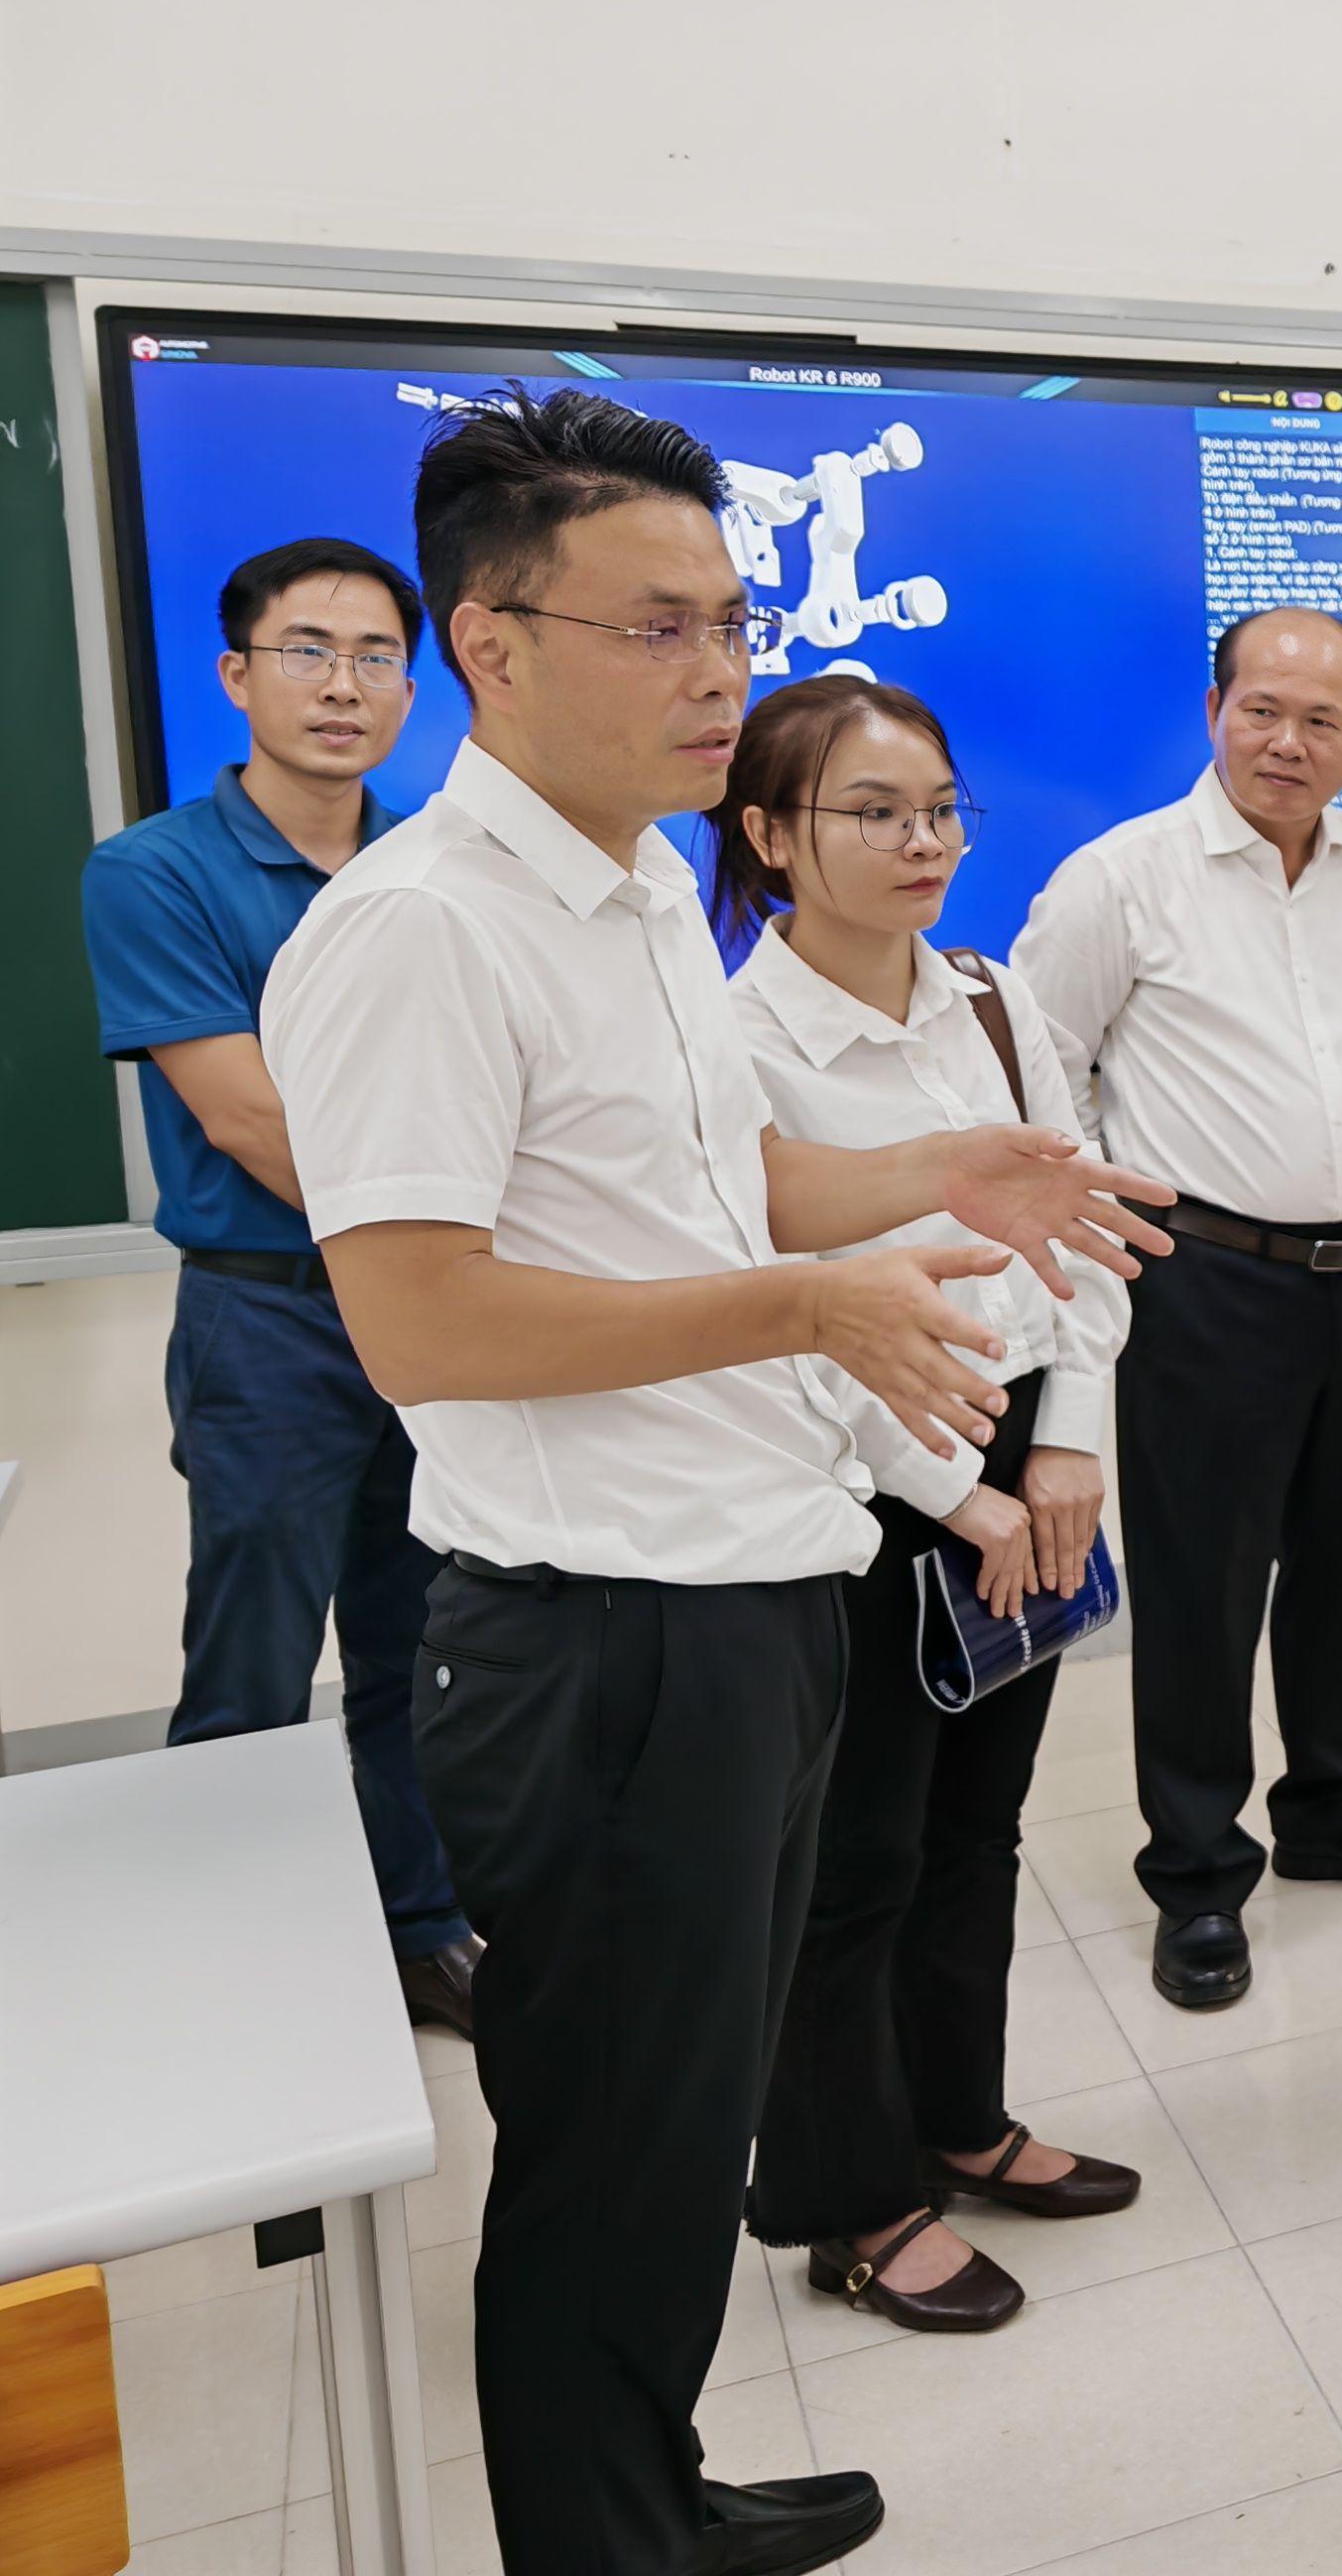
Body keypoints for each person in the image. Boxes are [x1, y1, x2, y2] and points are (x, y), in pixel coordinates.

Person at [261, 389, 1172, 2576]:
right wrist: (804, 1308)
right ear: (490, 645)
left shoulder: (648, 890)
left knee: (682, 2146)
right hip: (598, 1638)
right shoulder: (420, 929)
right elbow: (423, 1320)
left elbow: (722, 1175)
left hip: (752, 1592)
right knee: (602, 2154)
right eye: (658, 625)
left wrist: (933, 1171)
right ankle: (602, 2542)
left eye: (732, 620)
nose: (717, 672)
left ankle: (648, 2491)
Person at [712, 677, 1148, 2337]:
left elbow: (1082, 1225)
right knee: (855, 1859)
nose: (923, 843)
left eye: (941, 810)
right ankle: (850, 2195)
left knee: (981, 1825)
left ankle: (959, 2116)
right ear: (770, 835)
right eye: (875, 813)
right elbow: (777, 1312)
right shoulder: (737, 1040)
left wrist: (1068, 1445)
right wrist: (956, 1495)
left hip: (1026, 1448)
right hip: (867, 1480)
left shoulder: (992, 999)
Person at [1014, 605, 1342, 2017]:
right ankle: (1196, 1872)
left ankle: (1337, 1807)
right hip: (1204, 1280)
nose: (1288, 743)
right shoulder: (1122, 879)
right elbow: (1043, 1071)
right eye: (1262, 711)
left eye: (1321, 720)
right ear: (1215, 711)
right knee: (1204, 1582)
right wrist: (1113, 1222)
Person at [78, 539, 478, 2034]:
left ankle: (423, 1930)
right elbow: (248, 1121)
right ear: (236, 675)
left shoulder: (443, 866)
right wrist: (459, 1228)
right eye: (307, 650)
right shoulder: (153, 872)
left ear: (412, 691)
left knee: (421, 1645)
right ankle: (230, 1971)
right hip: (273, 1316)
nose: (344, 685)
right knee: (253, 1658)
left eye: (377, 657)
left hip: (435, 1312)